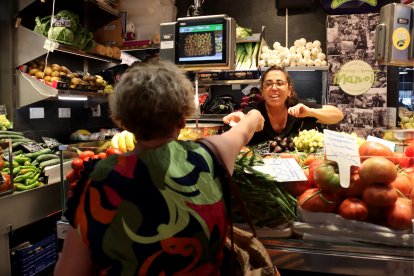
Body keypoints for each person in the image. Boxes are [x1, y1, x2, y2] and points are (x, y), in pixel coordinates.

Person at [54, 60, 265, 275]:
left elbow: (68, 271)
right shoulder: (211, 154)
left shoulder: (98, 178)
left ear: (123, 122)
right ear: (183, 119)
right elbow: (246, 128)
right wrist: (254, 116)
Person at [223, 66, 344, 146]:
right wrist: (243, 120)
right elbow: (245, 118)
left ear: (289, 90)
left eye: (280, 83)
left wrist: (310, 112)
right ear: (263, 90)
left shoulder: (298, 106)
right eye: (268, 84)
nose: (274, 88)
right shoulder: (255, 108)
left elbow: (337, 115)